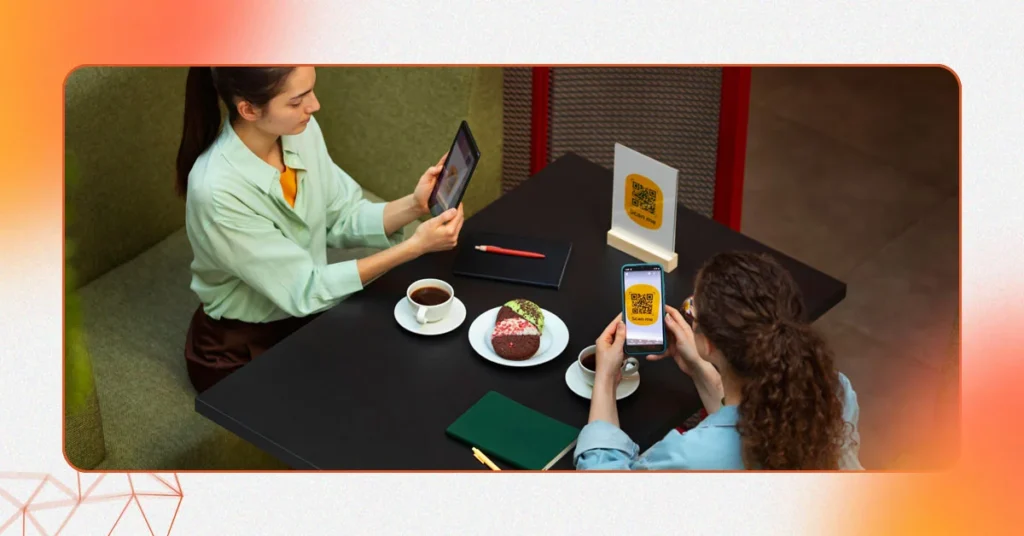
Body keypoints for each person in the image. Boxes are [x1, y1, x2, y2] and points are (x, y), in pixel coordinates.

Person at [175, 67, 465, 392]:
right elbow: (306, 288)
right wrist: (414, 247)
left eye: (311, 90)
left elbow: (341, 214)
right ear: (249, 109)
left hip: (309, 318)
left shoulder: (301, 131)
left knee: (417, 365)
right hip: (243, 349)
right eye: (297, 100)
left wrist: (414, 205)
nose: (314, 106)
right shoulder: (216, 191)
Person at [575, 251, 863, 470]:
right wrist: (700, 368)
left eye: (693, 309)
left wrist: (604, 379)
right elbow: (749, 423)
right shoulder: (833, 391)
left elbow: (604, 498)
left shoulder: (692, 458)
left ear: (709, 343)